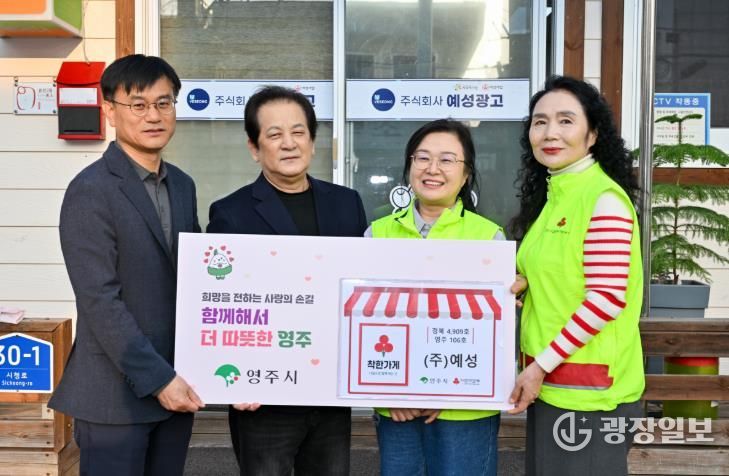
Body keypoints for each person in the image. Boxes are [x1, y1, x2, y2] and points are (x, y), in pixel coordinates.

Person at [48, 55, 203, 476]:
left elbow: (197, 278)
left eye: (164, 103)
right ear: (110, 111)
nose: (153, 115)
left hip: (177, 385)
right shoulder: (90, 190)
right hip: (114, 396)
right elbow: (100, 300)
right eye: (138, 104)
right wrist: (157, 379)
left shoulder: (183, 185)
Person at [207, 85, 367, 476]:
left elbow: (362, 286)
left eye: (298, 132)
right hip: (263, 395)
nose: (289, 143)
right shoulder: (231, 213)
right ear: (254, 147)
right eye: (275, 134)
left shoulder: (346, 203)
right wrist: (233, 379)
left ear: (312, 141)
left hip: (329, 390)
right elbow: (219, 301)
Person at [507, 76, 644, 476]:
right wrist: (524, 283)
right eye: (540, 122)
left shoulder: (603, 199)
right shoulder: (556, 196)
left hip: (591, 395)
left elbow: (606, 298)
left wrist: (539, 367)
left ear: (593, 134)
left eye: (566, 121)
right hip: (553, 384)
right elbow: (554, 271)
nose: (550, 133)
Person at [367, 119, 504, 476]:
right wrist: (389, 393)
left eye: (446, 160)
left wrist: (449, 389)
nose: (432, 169)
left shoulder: (489, 238)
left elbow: (496, 333)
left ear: (466, 174)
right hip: (395, 406)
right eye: (423, 158)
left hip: (466, 408)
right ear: (409, 166)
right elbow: (359, 323)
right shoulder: (377, 234)